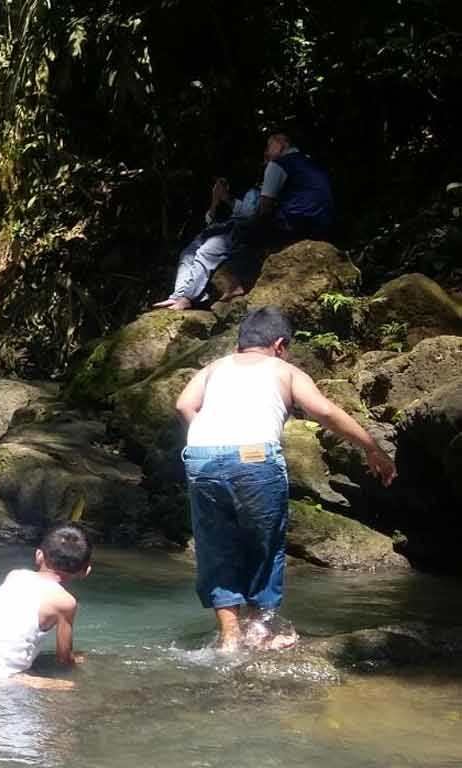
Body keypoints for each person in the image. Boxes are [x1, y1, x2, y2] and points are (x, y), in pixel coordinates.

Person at [175, 307, 396, 652]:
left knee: (216, 547)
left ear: (241, 343)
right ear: (279, 345)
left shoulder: (213, 368)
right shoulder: (284, 370)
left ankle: (230, 637)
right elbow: (324, 411)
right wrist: (371, 447)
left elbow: (183, 405)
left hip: (201, 458)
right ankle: (259, 630)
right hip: (254, 457)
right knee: (263, 545)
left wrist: (213, 443)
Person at [0, 524, 92, 687]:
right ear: (85, 570)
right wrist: (75, 659)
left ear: (39, 555)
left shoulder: (15, 575)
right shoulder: (66, 602)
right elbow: (63, 659)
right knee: (70, 687)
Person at [223, 133, 335, 297]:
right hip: (323, 223)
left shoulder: (278, 164)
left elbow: (265, 207)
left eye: (269, 146)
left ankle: (239, 284)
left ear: (282, 144)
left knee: (240, 230)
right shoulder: (311, 163)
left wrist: (253, 224)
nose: (266, 152)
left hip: (294, 222)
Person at [153, 179, 260, 310]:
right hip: (215, 229)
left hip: (233, 230)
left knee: (205, 253)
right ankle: (177, 295)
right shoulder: (222, 198)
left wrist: (227, 198)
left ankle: (187, 297)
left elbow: (247, 215)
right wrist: (215, 200)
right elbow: (209, 219)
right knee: (187, 254)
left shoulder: (252, 192)